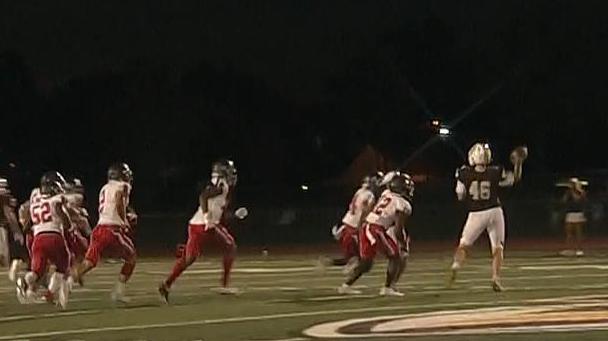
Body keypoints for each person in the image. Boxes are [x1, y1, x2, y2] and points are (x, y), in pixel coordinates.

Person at [159, 159, 247, 304]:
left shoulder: (224, 188)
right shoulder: (221, 184)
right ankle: (167, 285)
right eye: (230, 172)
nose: (233, 175)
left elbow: (220, 214)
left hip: (203, 225)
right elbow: (203, 196)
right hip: (201, 225)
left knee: (224, 248)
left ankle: (166, 285)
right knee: (194, 256)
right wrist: (207, 218)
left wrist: (235, 215)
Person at [448, 143, 527, 292]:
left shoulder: (463, 172)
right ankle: (496, 278)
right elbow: (514, 179)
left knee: (464, 245)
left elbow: (460, 195)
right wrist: (518, 164)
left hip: (476, 212)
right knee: (498, 248)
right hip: (495, 211)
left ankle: (456, 265)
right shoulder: (495, 171)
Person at [338, 173, 415, 297]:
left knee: (367, 263)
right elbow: (398, 228)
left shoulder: (386, 194)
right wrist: (402, 244)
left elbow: (381, 187)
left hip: (366, 226)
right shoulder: (403, 204)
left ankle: (345, 286)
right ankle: (387, 288)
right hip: (376, 229)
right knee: (395, 256)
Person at [73, 163, 136, 302]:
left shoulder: (105, 188)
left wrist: (127, 212)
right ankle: (118, 292)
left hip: (99, 229)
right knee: (131, 257)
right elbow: (119, 201)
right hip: (112, 230)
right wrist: (124, 219)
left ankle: (63, 284)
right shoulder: (123, 186)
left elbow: (112, 204)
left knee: (89, 262)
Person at [15, 171, 71, 309]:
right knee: (63, 264)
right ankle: (50, 294)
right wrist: (66, 218)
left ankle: (24, 280)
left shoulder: (35, 203)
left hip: (38, 238)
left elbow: (28, 225)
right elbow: (67, 223)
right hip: (54, 236)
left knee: (37, 271)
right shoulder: (56, 200)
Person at [319, 173, 382, 274]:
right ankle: (346, 278)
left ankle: (329, 263)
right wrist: (361, 226)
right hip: (353, 228)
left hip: (346, 225)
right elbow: (365, 211)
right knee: (361, 259)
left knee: (354, 258)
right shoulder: (369, 195)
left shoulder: (360, 192)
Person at [559, 177, 588, 257]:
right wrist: (568, 192)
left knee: (579, 233)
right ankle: (568, 249)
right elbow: (563, 201)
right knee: (569, 233)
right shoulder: (568, 193)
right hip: (570, 213)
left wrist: (573, 191)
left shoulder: (581, 192)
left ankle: (579, 249)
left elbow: (577, 199)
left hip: (578, 213)